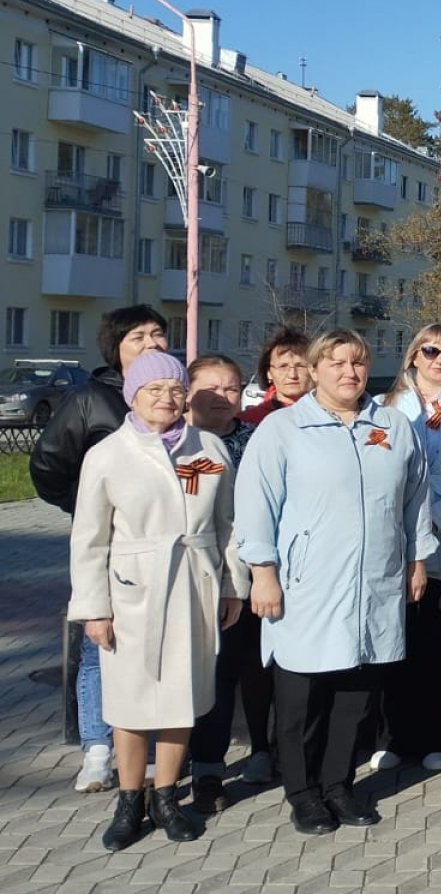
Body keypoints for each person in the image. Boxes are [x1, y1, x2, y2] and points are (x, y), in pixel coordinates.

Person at [234, 328, 433, 837]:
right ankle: (303, 794)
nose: (350, 372)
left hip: (374, 584)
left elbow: (414, 499)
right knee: (302, 697)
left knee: (355, 694)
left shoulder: (390, 425)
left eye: (358, 362)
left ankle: (339, 785)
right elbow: (256, 505)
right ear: (316, 369)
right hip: (306, 585)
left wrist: (416, 560)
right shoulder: (283, 429)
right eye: (337, 362)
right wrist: (262, 573)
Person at [67, 352, 245, 850]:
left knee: (180, 698)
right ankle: (130, 800)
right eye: (154, 390)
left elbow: (228, 523)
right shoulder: (107, 455)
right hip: (132, 591)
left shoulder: (207, 447)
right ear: (133, 395)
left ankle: (166, 797)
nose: (166, 399)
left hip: (193, 582)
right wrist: (94, 608)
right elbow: (88, 540)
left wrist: (233, 584)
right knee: (128, 702)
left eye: (174, 389)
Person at [31, 303, 171, 793]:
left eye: (157, 334)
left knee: (159, 644)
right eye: (138, 337)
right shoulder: (90, 400)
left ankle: (153, 747)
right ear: (116, 348)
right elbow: (47, 467)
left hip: (164, 552)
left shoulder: (175, 397)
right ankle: (97, 748)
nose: (151, 343)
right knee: (100, 647)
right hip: (108, 551)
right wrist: (92, 509)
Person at [379, 324, 441, 773]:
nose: (440, 361)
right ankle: (396, 737)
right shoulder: (385, 408)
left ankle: (437, 736)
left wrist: (436, 516)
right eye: (431, 351)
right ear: (414, 355)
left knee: (435, 643)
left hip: (440, 533)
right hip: (389, 533)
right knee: (393, 641)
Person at [183, 354, 271, 810]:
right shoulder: (177, 444)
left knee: (247, 671)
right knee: (205, 679)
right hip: (186, 580)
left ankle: (247, 756)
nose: (223, 397)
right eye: (211, 388)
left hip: (250, 578)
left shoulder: (258, 440)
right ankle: (197, 767)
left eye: (233, 388)